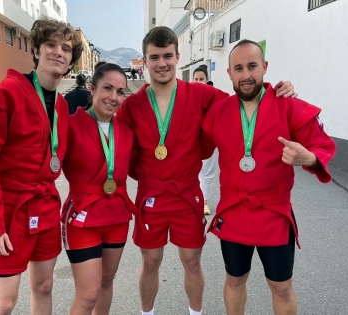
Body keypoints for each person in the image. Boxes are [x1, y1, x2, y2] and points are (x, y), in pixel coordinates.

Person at [116, 26, 296, 315]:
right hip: (151, 195)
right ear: (145, 61)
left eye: (167, 56)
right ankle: (146, 313)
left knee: (191, 261)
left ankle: (195, 313)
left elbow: (244, 95)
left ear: (177, 57)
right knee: (150, 262)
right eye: (154, 57)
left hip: (187, 193)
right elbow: (120, 149)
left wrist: (273, 89)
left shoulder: (202, 94)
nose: (161, 63)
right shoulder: (132, 105)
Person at [201, 39, 336, 315]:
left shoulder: (288, 106)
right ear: (229, 74)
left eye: (252, 66)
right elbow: (189, 146)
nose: (246, 75)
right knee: (235, 280)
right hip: (234, 210)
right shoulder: (217, 112)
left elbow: (323, 145)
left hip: (274, 212)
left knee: (282, 286)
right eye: (238, 68)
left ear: (264, 67)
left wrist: (307, 158)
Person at [0, 17, 82, 315]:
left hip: (44, 207)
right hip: (9, 210)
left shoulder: (63, 105)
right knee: (4, 302)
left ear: (71, 62)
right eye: (51, 45)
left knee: (43, 286)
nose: (58, 52)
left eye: (66, 48)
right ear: (37, 51)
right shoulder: (3, 95)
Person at [61, 63, 137, 315]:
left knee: (106, 282)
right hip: (82, 217)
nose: (113, 97)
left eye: (120, 91)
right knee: (88, 293)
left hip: (117, 216)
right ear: (92, 89)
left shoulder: (126, 132)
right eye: (107, 88)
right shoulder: (70, 126)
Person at [193, 66, 219, 215]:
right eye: (195, 79)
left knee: (207, 173)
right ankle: (194, 199)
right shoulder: (188, 97)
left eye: (201, 79)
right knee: (193, 172)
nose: (198, 82)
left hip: (210, 140)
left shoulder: (215, 97)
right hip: (193, 142)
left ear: (207, 80)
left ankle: (204, 202)